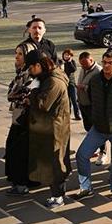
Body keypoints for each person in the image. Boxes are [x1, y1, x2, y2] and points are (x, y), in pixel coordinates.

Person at [72, 49, 112, 202]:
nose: (107, 66)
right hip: (99, 128)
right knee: (81, 155)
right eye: (105, 62)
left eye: (111, 63)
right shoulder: (94, 80)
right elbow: (90, 100)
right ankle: (85, 187)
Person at [25, 50, 71, 208]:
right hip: (52, 126)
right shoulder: (49, 77)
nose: (30, 71)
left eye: (31, 68)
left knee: (56, 162)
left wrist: (33, 91)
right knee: (53, 161)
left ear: (38, 65)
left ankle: (58, 196)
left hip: (55, 128)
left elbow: (42, 105)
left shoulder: (53, 81)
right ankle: (56, 193)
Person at [4, 43, 37, 196]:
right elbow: (11, 92)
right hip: (18, 116)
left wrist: (15, 94)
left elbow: (14, 94)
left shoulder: (30, 74)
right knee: (13, 148)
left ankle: (22, 183)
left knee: (20, 151)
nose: (16, 57)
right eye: (16, 53)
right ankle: (17, 179)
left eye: (20, 54)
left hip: (25, 119)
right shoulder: (21, 72)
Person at [76, 52, 106, 164]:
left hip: (93, 106)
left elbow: (100, 89)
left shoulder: (98, 71)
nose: (83, 66)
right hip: (83, 104)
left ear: (91, 60)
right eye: (81, 64)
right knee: (89, 129)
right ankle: (95, 148)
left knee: (98, 129)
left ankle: (103, 152)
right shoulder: (83, 69)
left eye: (85, 64)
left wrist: (85, 87)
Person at [61, 49, 81, 121]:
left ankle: (77, 114)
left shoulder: (72, 62)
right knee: (66, 101)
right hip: (64, 84)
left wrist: (69, 62)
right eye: (65, 54)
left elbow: (73, 69)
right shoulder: (61, 63)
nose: (66, 56)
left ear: (71, 56)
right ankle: (67, 115)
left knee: (74, 99)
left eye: (68, 55)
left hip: (71, 83)